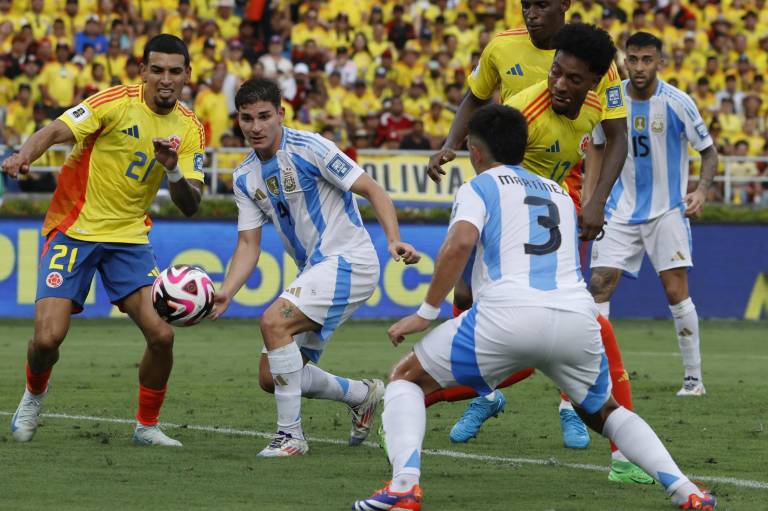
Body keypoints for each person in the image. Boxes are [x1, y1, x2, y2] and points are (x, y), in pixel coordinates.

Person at [352, 103, 716, 511]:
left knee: (406, 379)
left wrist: (426, 310)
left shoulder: (479, 186)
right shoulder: (559, 192)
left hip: (507, 317)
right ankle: (688, 491)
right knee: (604, 411)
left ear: (474, 151)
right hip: (576, 317)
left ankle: (404, 486)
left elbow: (458, 245)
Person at [425, 0, 633, 457]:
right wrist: (449, 145)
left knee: (568, 301)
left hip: (561, 194)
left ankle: (569, 405)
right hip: (507, 180)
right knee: (468, 295)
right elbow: (476, 100)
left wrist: (595, 201)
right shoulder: (506, 56)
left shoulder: (601, 71)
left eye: (541, 6)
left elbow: (616, 134)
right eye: (525, 6)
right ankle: (485, 392)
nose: (530, 14)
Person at [3, 34, 206, 446]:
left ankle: (146, 426)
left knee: (162, 336)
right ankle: (33, 397)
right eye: (157, 70)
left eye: (174, 71)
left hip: (129, 239)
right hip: (74, 230)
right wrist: (26, 155)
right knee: (47, 338)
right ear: (143, 71)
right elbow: (56, 129)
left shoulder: (190, 129)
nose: (165, 79)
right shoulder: (114, 101)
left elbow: (191, 204)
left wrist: (172, 171)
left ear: (187, 75)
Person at [210, 78, 420, 457]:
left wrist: (393, 239)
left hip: (349, 260)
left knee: (274, 322)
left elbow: (373, 190)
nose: (256, 127)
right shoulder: (243, 176)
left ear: (281, 114)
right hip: (315, 270)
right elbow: (247, 244)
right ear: (237, 120)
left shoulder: (311, 147)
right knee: (271, 376)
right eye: (246, 118)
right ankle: (363, 394)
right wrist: (227, 291)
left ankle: (290, 436)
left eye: (264, 116)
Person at [589, 32, 718, 397]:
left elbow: (709, 152)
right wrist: (591, 200)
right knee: (598, 285)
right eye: (633, 59)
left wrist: (702, 190)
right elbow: (597, 149)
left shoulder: (678, 102)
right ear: (624, 61)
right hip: (619, 208)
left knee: (676, 292)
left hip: (667, 211)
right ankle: (599, 377)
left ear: (660, 61)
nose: (640, 66)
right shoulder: (610, 101)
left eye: (647, 59)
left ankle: (693, 379)